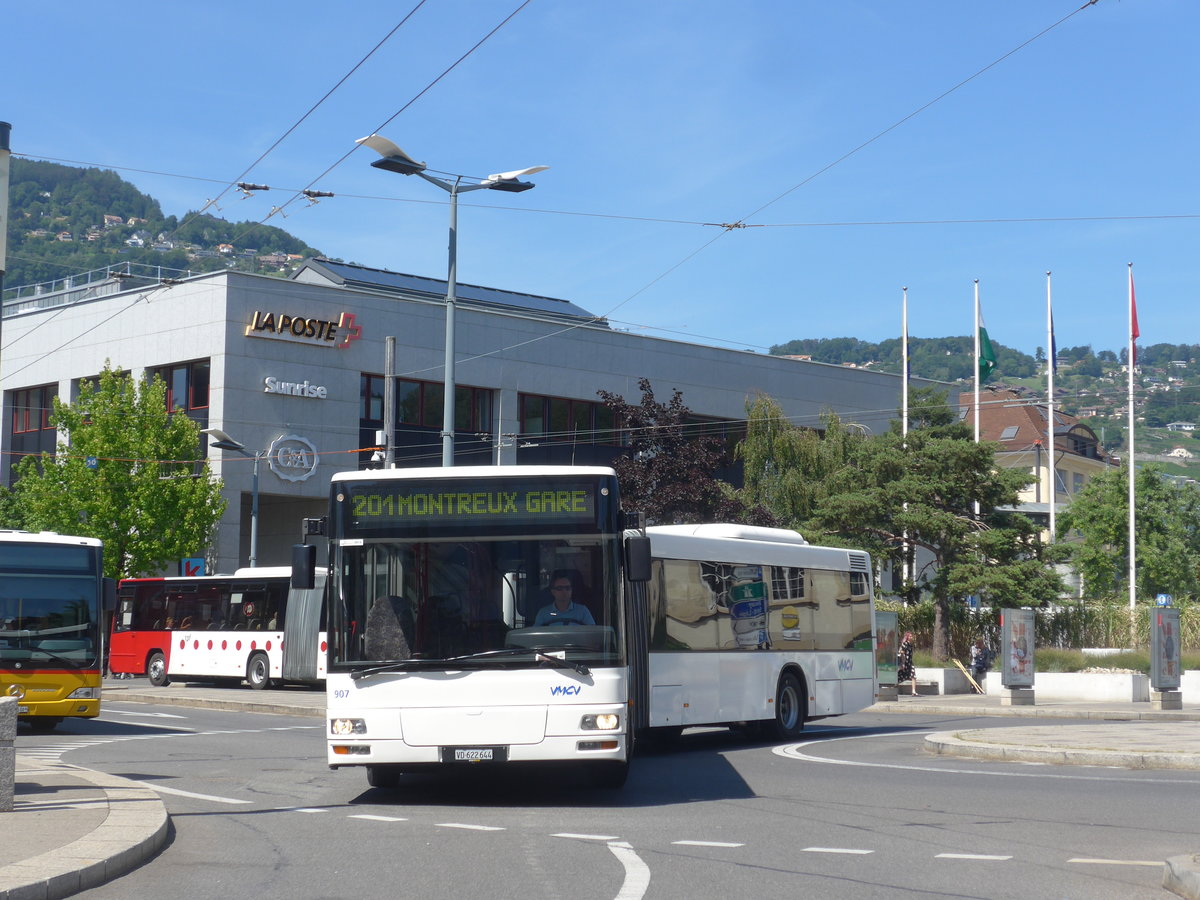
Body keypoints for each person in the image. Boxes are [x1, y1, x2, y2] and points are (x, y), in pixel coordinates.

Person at [897, 631, 917, 695]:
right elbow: (902, 653)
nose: (912, 637)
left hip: (910, 662)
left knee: (913, 676)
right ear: (907, 637)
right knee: (900, 676)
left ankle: (913, 691)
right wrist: (902, 663)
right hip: (905, 662)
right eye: (910, 636)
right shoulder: (904, 644)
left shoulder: (911, 645)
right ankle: (892, 685)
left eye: (912, 636)